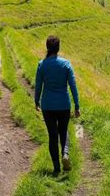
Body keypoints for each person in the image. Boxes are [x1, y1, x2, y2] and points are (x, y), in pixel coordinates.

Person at [34, 35, 80, 176]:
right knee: (64, 131)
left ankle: (56, 168)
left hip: (48, 105)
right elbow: (73, 85)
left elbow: (38, 85)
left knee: (52, 136)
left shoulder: (42, 64)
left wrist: (36, 101)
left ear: (47, 47)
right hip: (63, 104)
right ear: (58, 48)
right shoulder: (66, 64)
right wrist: (77, 105)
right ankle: (65, 153)